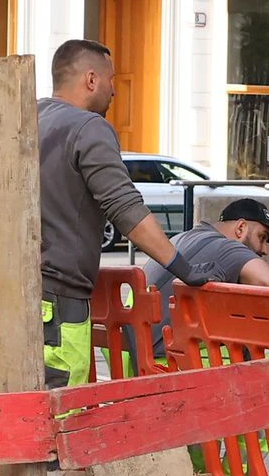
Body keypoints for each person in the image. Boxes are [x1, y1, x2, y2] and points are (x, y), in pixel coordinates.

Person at [36, 38, 179, 386]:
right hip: (54, 301)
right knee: (61, 414)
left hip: (0, 292)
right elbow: (125, 209)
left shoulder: (29, 116)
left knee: (24, 407)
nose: (114, 90)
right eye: (111, 79)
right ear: (91, 79)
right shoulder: (88, 127)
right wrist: (180, 266)